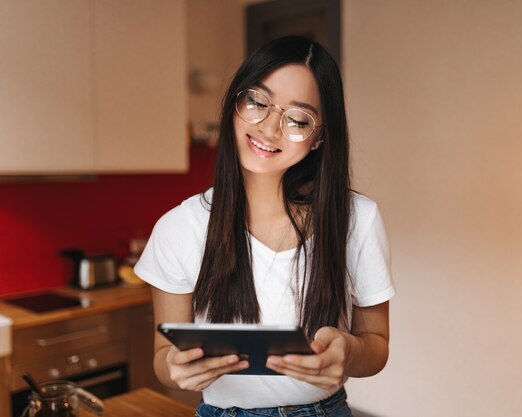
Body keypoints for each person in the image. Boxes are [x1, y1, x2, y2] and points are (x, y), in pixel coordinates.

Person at [134, 35, 395, 417]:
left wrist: (350, 350)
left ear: (319, 137)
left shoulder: (356, 218)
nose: (270, 129)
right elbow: (163, 359)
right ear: (234, 104)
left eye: (297, 118)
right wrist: (175, 368)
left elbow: (376, 346)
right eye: (257, 101)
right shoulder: (178, 228)